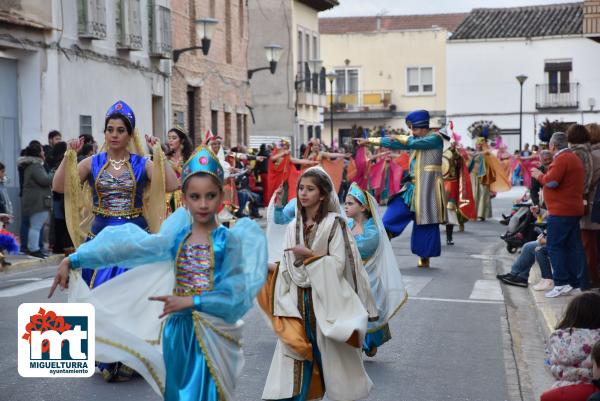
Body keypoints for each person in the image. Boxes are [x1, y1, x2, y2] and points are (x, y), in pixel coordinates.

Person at [49, 146, 267, 401]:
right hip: (179, 334)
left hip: (215, 334)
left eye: (210, 195)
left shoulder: (231, 241)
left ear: (221, 197)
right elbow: (128, 245)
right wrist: (74, 259)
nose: (203, 204)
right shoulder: (174, 240)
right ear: (184, 199)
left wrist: (195, 301)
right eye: (195, 196)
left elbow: (237, 296)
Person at [51, 100, 178, 380]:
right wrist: (67, 158)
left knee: (132, 300)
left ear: (130, 134)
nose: (114, 134)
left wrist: (160, 153)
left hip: (135, 241)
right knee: (102, 299)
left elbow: (171, 184)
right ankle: (108, 355)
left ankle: (131, 356)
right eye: (110, 129)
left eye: (121, 130)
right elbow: (59, 186)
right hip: (101, 242)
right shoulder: (92, 162)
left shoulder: (141, 163)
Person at [258, 167, 377, 401]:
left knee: (330, 361)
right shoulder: (294, 226)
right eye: (301, 188)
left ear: (322, 194)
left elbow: (340, 264)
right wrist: (263, 266)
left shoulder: (335, 224)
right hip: (297, 304)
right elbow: (288, 266)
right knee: (296, 354)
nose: (303, 193)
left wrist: (310, 256)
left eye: (310, 189)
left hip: (325, 302)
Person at [358, 109, 447, 268]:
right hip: (411, 188)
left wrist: (400, 138)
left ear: (423, 127)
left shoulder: (435, 138)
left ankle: (424, 255)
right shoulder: (414, 138)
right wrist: (370, 141)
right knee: (389, 218)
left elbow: (413, 143)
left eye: (414, 128)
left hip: (427, 190)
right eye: (411, 129)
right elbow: (398, 142)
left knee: (425, 224)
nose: (412, 132)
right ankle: (375, 248)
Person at [344, 182, 407, 357]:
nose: (346, 207)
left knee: (366, 312)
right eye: (346, 203)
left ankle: (367, 342)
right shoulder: (347, 225)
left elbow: (360, 247)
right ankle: (352, 343)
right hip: (349, 278)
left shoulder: (372, 231)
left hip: (367, 280)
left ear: (363, 207)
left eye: (350, 203)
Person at [532, 132, 588, 297]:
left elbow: (551, 181)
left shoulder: (562, 159)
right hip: (572, 209)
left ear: (553, 146)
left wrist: (538, 175)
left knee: (554, 246)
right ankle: (574, 283)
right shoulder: (573, 158)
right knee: (572, 247)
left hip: (562, 211)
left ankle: (561, 282)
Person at [540, 293, 600, 401]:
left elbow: (552, 364)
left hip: (561, 388)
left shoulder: (559, 338)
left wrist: (556, 370)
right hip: (590, 389)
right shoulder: (597, 339)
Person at [569, 124, 600, 288]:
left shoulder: (591, 155)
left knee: (588, 243)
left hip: (593, 203)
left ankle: (590, 278)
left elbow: (587, 179)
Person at [20, 142, 53, 258]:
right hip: (37, 202)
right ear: (38, 153)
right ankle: (34, 249)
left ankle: (35, 248)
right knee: (36, 226)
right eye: (42, 150)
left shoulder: (33, 166)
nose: (44, 152)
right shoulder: (35, 166)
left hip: (35, 201)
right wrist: (53, 173)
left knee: (35, 226)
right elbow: (44, 180)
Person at [165, 127, 193, 215]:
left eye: (174, 138)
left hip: (184, 197)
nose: (170, 141)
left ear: (182, 140)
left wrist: (177, 168)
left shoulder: (189, 159)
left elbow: (192, 177)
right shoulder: (166, 158)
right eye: (169, 138)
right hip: (167, 199)